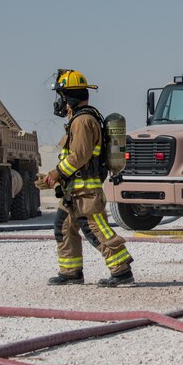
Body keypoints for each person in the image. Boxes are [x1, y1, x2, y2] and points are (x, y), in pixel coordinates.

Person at [40, 70, 134, 287]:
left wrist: (56, 174)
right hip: (73, 191)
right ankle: (71, 273)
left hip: (86, 191)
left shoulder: (82, 121)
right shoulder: (77, 120)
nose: (59, 102)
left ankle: (122, 272)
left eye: (61, 96)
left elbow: (79, 155)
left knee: (96, 231)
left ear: (68, 97)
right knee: (63, 228)